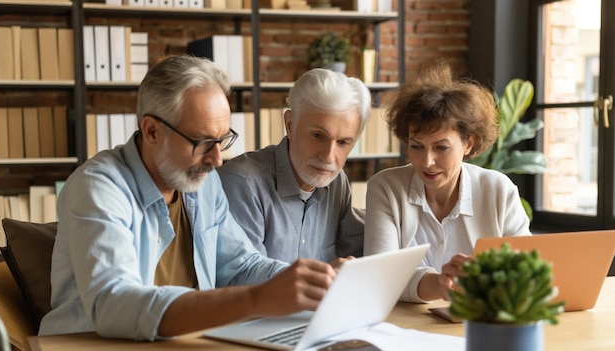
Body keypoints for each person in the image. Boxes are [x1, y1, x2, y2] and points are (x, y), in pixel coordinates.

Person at [38, 56, 336, 340]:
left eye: (221, 140)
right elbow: (114, 304)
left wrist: (312, 281)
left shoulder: (203, 183)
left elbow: (240, 266)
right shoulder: (99, 188)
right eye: (203, 142)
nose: (218, 159)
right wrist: (255, 300)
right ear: (152, 131)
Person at [364, 61, 531, 303]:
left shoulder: (498, 190)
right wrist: (440, 284)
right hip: (406, 327)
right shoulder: (386, 188)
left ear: (468, 143)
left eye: (441, 147)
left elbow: (525, 268)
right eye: (416, 147)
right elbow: (380, 275)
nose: (427, 161)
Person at [217, 68, 370, 265]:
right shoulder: (242, 183)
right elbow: (244, 276)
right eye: (318, 136)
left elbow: (361, 250)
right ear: (290, 125)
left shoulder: (337, 183)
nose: (329, 157)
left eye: (343, 142)